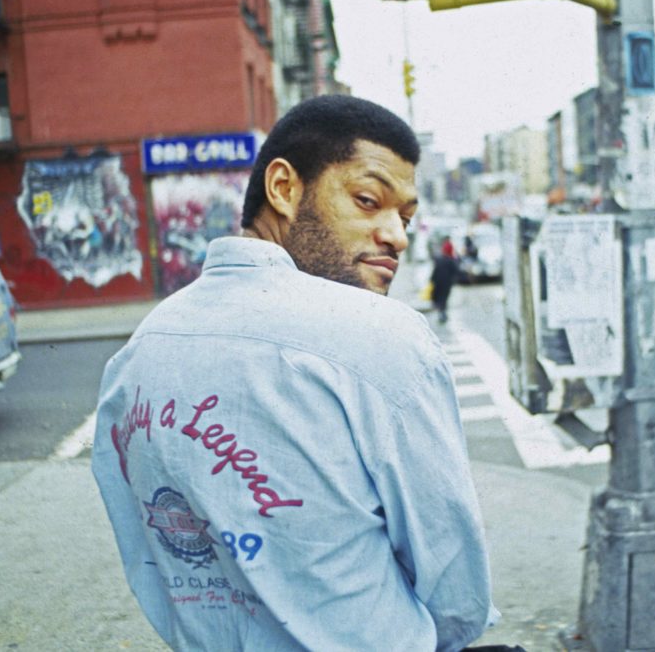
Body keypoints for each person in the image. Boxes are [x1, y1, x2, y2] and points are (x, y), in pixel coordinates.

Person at [92, 95, 499, 652]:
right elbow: (456, 594)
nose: (397, 236)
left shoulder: (140, 352)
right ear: (284, 188)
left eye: (405, 218)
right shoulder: (384, 339)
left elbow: (147, 558)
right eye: (367, 201)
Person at [430, 236, 460, 324]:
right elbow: (456, 271)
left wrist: (432, 280)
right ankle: (443, 313)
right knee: (444, 299)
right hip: (447, 283)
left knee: (439, 298)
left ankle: (441, 313)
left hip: (438, 282)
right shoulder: (452, 260)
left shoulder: (439, 259)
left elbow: (435, 271)